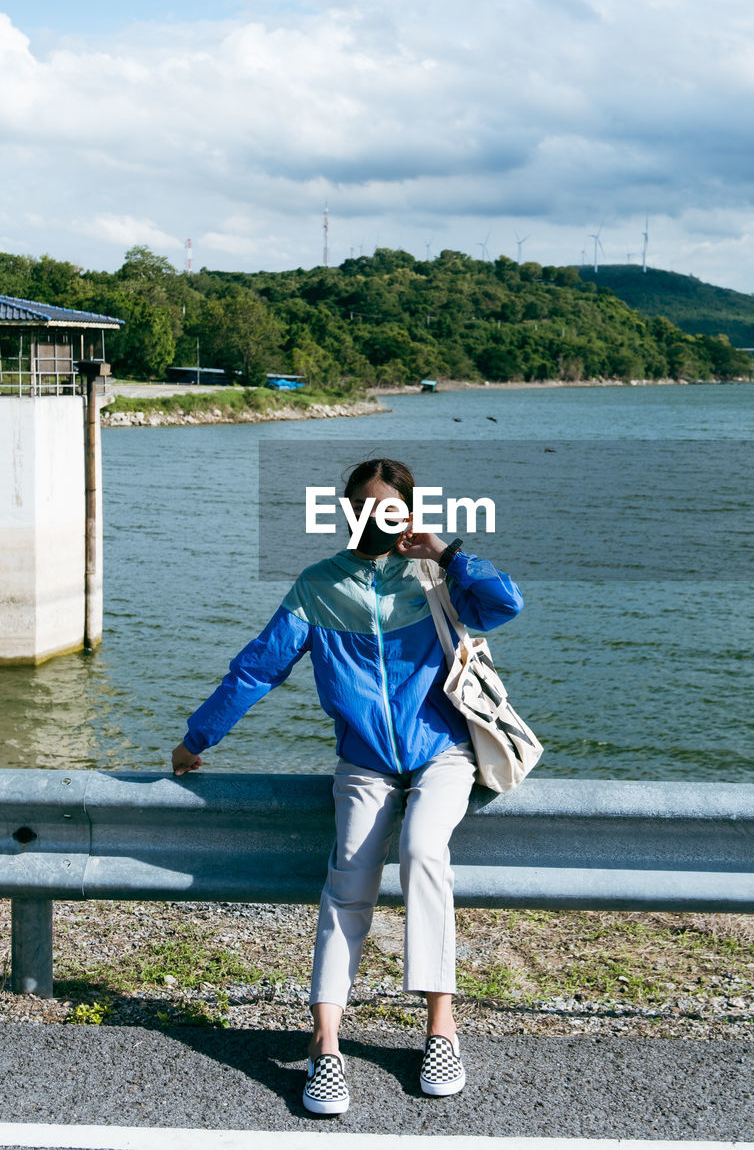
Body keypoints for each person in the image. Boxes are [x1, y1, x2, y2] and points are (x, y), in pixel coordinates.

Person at [171, 457, 523, 1115]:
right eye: (365, 507)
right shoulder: (317, 586)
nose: (377, 519)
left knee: (423, 851)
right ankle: (325, 1044)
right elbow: (257, 670)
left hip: (440, 753)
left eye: (391, 508)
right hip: (363, 762)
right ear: (347, 510)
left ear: (409, 511)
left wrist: (447, 552)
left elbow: (506, 604)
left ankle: (440, 1028)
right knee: (348, 883)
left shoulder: (436, 577)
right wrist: (197, 738)